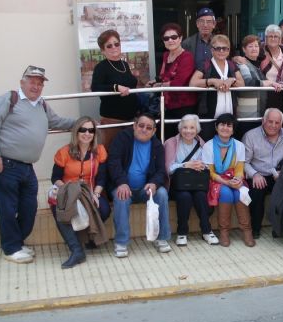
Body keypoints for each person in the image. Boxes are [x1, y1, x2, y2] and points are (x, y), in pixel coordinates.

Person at [0, 65, 75, 264]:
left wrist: (82, 123)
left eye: (39, 83)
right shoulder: (10, 99)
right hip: (5, 164)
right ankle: (11, 248)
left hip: (27, 167)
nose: (36, 86)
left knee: (29, 206)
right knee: (8, 208)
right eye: (32, 81)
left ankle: (16, 242)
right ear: (22, 83)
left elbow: (58, 121)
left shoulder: (42, 105)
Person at [108, 113, 172, 258]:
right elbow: (113, 162)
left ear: (154, 131)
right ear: (134, 126)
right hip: (123, 186)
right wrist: (122, 182)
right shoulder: (122, 139)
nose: (144, 130)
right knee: (121, 197)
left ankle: (162, 238)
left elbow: (162, 171)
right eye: (141, 126)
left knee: (161, 193)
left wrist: (154, 183)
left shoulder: (157, 146)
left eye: (149, 128)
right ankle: (121, 242)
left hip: (145, 189)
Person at [49, 116, 110, 268]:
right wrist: (67, 191)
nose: (87, 133)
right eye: (83, 129)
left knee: (103, 208)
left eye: (91, 130)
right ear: (76, 132)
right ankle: (76, 250)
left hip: (90, 191)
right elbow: (55, 177)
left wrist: (95, 194)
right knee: (59, 208)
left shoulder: (99, 151)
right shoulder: (64, 152)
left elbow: (102, 178)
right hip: (68, 190)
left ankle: (89, 238)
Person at [164, 114, 218, 247]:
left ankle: (207, 230)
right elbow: (168, 169)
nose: (188, 131)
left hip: (196, 184)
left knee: (200, 195)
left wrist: (201, 165)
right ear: (180, 129)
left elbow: (207, 165)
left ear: (197, 129)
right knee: (184, 196)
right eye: (185, 127)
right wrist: (185, 165)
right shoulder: (171, 143)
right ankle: (182, 232)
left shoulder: (201, 144)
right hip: (177, 185)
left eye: (192, 127)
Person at [201, 113, 254, 247]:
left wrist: (238, 180)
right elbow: (210, 172)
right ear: (216, 127)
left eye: (229, 125)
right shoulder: (208, 146)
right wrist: (226, 182)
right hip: (216, 180)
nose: (225, 128)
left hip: (234, 178)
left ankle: (247, 230)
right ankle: (224, 231)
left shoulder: (239, 145)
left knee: (240, 192)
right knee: (226, 193)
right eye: (222, 124)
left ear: (233, 129)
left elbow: (239, 168)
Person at [243, 108, 283, 239]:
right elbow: (243, 162)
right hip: (259, 174)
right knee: (256, 192)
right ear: (263, 121)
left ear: (282, 123)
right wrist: (254, 174)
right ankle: (255, 229)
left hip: (279, 173)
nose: (273, 125)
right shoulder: (250, 136)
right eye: (270, 121)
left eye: (277, 122)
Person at [189, 34, 245, 140]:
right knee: (207, 144)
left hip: (229, 116)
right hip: (209, 116)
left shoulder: (232, 65)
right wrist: (212, 81)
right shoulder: (205, 65)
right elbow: (193, 83)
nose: (221, 51)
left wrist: (232, 80)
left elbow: (242, 83)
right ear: (212, 50)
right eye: (218, 48)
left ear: (228, 50)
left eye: (225, 48)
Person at [90, 30, 139, 148]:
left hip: (131, 119)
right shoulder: (101, 67)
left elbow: (129, 85)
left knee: (128, 154)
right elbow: (95, 87)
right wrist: (116, 87)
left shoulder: (124, 65)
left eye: (116, 44)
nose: (114, 47)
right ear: (103, 50)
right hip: (113, 121)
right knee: (111, 153)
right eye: (109, 45)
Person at [149, 23, 196, 139]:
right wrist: (155, 82)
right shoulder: (166, 55)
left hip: (184, 106)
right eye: (166, 38)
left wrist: (159, 85)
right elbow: (164, 76)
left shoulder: (187, 57)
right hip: (168, 105)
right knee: (166, 138)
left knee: (182, 139)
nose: (170, 40)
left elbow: (179, 82)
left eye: (174, 37)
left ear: (180, 38)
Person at [236, 34, 283, 133]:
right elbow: (248, 82)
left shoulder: (257, 64)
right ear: (244, 49)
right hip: (247, 114)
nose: (254, 48)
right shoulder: (242, 64)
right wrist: (270, 82)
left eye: (256, 46)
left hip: (258, 113)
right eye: (250, 46)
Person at [260, 24, 283, 111]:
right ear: (266, 38)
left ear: (280, 39)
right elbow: (249, 61)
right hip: (266, 94)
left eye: (276, 36)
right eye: (270, 36)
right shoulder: (260, 52)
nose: (273, 38)